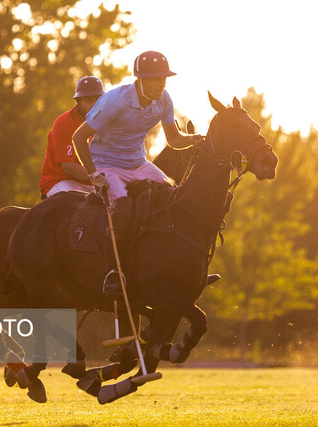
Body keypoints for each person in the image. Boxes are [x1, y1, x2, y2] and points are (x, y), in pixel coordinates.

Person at [72, 51, 203, 295]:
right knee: (121, 208)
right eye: (155, 78)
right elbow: (79, 138)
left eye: (164, 78)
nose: (161, 83)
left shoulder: (164, 100)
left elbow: (174, 139)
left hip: (137, 162)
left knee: (171, 194)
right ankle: (114, 272)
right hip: (107, 164)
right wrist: (93, 175)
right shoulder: (115, 101)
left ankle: (166, 261)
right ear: (139, 79)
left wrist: (193, 140)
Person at [39, 76, 105, 199]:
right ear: (78, 102)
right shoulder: (64, 123)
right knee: (72, 202)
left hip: (93, 181)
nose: (95, 104)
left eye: (98, 99)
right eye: (89, 100)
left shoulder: (106, 121)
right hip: (60, 181)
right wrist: (99, 176)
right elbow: (69, 168)